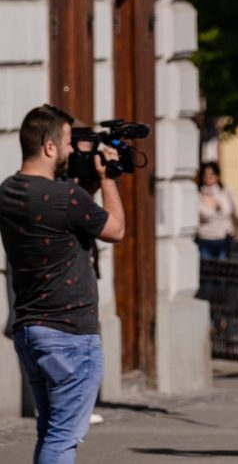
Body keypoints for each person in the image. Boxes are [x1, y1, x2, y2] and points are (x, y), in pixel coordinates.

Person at [0, 105, 125, 463]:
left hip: (31, 331)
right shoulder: (67, 198)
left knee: (50, 431)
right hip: (70, 335)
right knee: (62, 439)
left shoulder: (8, 191)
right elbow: (115, 229)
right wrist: (108, 180)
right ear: (50, 147)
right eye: (69, 143)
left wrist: (86, 186)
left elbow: (61, 216)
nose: (72, 151)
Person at [196, 162, 238, 260]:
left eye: (212, 173)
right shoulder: (197, 195)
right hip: (205, 240)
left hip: (225, 239)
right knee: (207, 273)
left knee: (224, 272)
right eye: (205, 174)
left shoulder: (227, 192)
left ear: (217, 175)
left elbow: (236, 214)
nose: (209, 176)